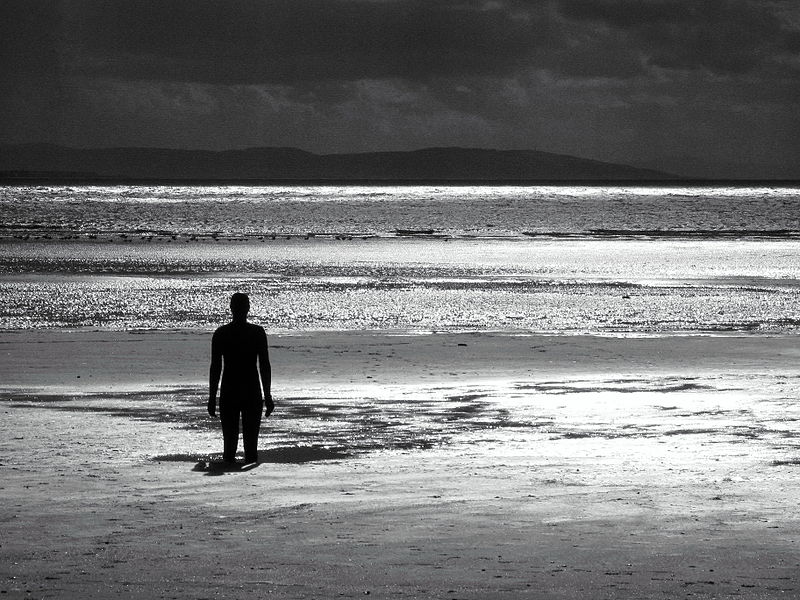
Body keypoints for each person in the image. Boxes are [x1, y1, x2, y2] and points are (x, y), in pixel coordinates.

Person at [208, 292, 274, 464]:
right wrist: (267, 396)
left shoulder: (222, 333)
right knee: (250, 447)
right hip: (250, 390)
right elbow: (264, 366)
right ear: (248, 309)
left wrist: (211, 397)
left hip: (231, 391)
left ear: (231, 309)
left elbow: (216, 368)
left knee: (230, 446)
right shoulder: (257, 333)